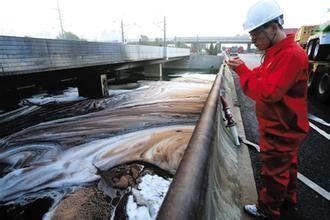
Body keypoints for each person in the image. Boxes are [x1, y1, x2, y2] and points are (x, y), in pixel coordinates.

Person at [226, 0, 309, 219]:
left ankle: (267, 209)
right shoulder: (277, 52)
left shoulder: (290, 54)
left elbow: (268, 92)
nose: (253, 40)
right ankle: (289, 198)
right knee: (287, 165)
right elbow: (262, 78)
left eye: (256, 34)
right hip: (284, 125)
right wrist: (245, 71)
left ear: (273, 27)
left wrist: (242, 71)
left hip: (281, 128)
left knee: (273, 172)